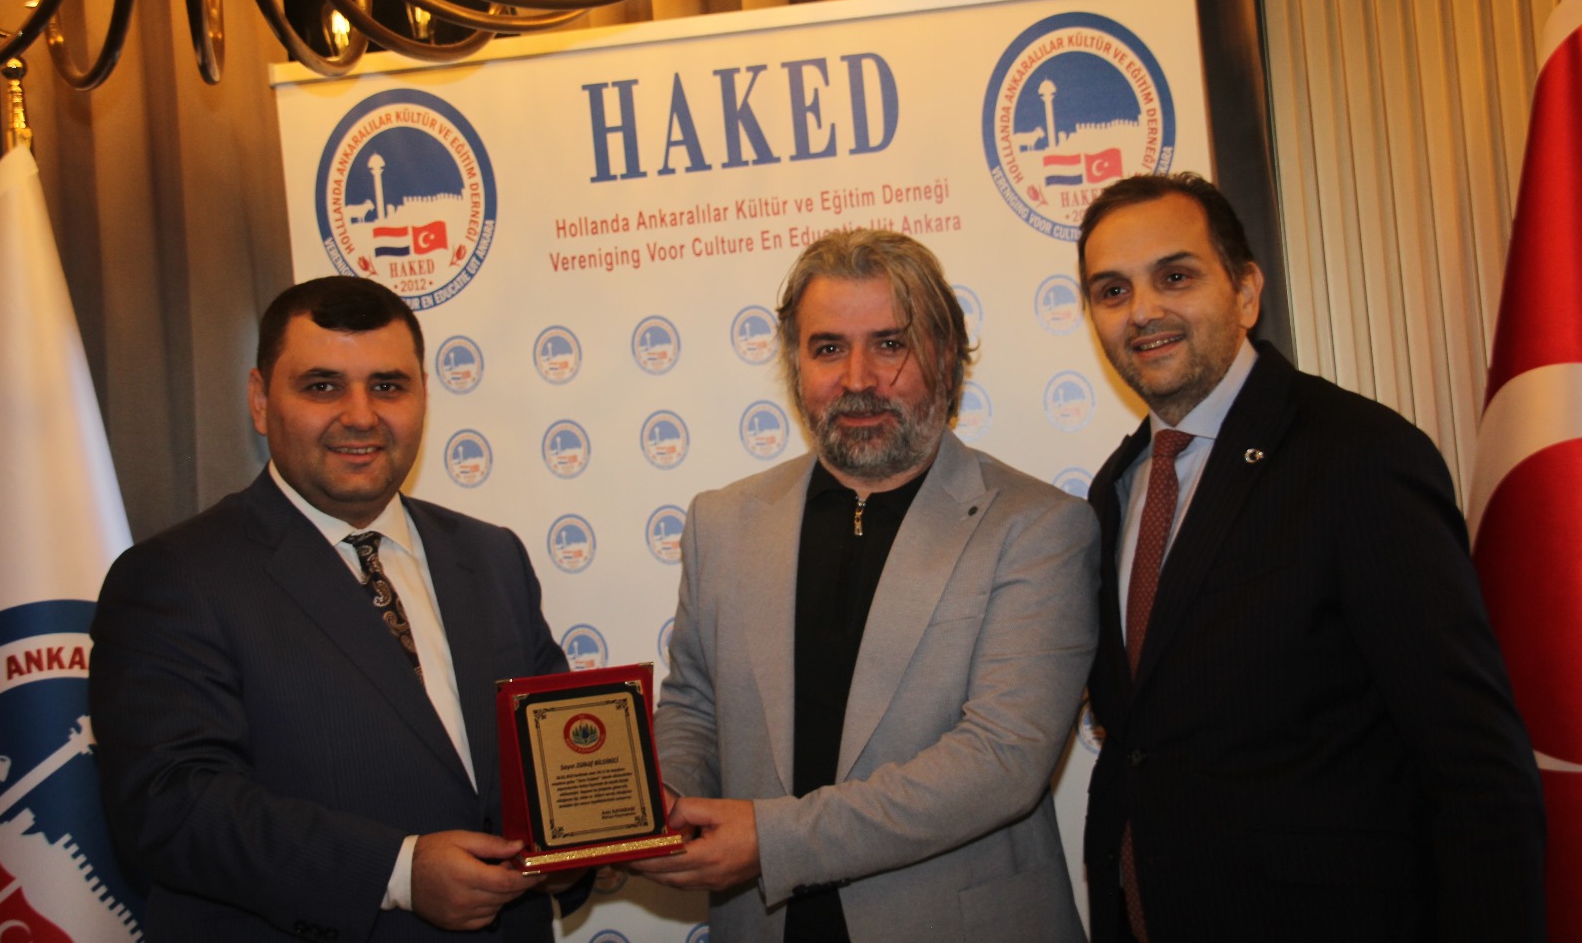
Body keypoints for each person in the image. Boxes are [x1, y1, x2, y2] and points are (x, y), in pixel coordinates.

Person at [1076, 173, 1545, 942]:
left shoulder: (1361, 457)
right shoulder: (1117, 489)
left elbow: (1476, 764)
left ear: (1246, 291)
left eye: (1176, 276)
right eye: (1112, 290)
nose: (1144, 310)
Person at [90, 276, 584, 940]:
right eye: (322, 386)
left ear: (423, 396)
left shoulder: (491, 556)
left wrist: (585, 841)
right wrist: (397, 873)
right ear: (260, 400)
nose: (360, 415)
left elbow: (551, 754)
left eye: (388, 386)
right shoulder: (173, 577)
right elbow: (170, 804)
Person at [639, 228, 1099, 941]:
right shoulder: (721, 523)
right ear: (795, 366)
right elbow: (695, 707)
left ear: (946, 358)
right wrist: (660, 803)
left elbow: (1003, 759)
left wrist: (773, 840)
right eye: (828, 348)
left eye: (890, 344)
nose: (857, 378)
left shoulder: (1037, 527)